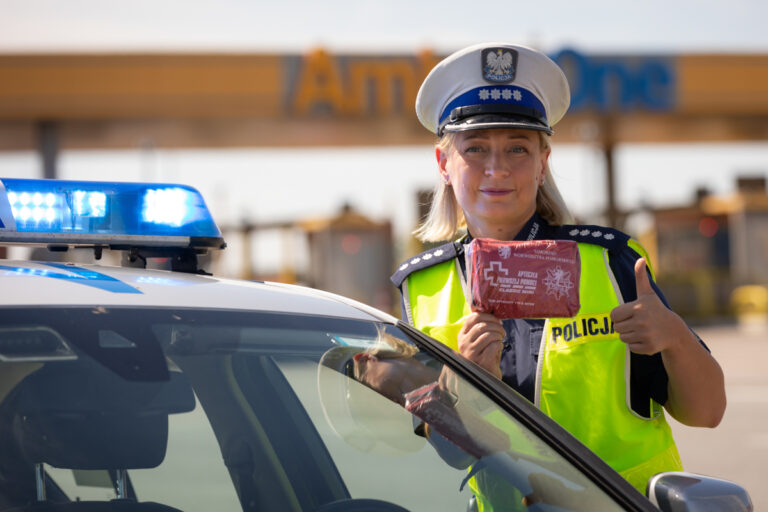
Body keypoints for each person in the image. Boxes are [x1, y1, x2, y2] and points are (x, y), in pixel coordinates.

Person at [390, 42, 727, 497]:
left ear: (543, 162)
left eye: (517, 149)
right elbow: (444, 454)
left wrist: (674, 337)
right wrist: (466, 379)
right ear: (443, 163)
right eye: (474, 149)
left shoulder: (612, 263)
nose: (497, 169)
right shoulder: (421, 289)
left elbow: (707, 412)